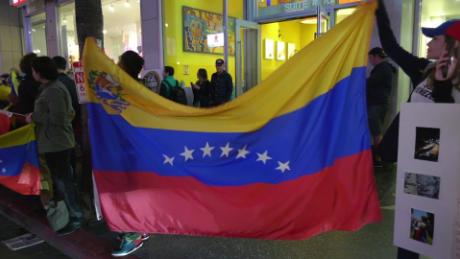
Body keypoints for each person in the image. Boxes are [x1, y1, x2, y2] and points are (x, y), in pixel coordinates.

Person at [375, 1, 460, 258]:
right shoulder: (424, 69)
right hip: (422, 164)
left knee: (449, 237)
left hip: (451, 171)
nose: (427, 42)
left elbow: (447, 122)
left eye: (434, 38)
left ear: (450, 45)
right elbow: (391, 47)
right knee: (415, 233)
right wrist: (378, 9)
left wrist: (445, 87)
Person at [25, 56, 84, 236]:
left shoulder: (54, 90)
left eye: (34, 70)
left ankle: (75, 216)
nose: (32, 73)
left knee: (63, 181)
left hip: (57, 143)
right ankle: (68, 213)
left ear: (39, 72)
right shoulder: (50, 88)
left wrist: (35, 117)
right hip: (54, 141)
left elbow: (59, 118)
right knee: (61, 180)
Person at [112, 50, 150, 257]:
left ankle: (133, 234)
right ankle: (138, 227)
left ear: (125, 66)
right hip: (129, 148)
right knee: (131, 188)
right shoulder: (137, 88)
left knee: (130, 190)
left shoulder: (129, 90)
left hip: (131, 148)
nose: (116, 65)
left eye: (119, 62)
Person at [52, 56, 81, 180]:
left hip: (59, 127)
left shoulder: (54, 84)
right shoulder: (72, 81)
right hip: (73, 122)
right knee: (71, 151)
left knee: (61, 158)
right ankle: (73, 175)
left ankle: (66, 184)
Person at [366, 47, 396, 165]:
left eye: (370, 58)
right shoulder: (384, 68)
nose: (369, 61)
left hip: (377, 104)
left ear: (376, 56)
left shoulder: (382, 68)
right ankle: (378, 155)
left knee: (376, 131)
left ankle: (379, 156)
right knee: (376, 131)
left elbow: (371, 82)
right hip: (378, 103)